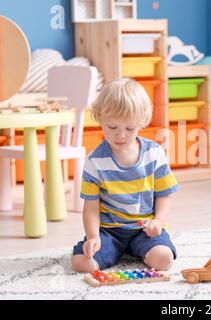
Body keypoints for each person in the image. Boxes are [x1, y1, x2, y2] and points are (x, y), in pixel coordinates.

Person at [71, 78, 179, 272]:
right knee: (81, 263)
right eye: (112, 127)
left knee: (164, 259)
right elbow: (91, 207)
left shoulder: (153, 153)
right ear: (99, 118)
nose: (121, 135)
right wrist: (93, 237)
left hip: (144, 229)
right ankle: (117, 251)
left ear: (141, 122)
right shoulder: (95, 161)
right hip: (109, 232)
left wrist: (158, 222)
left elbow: (164, 193)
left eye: (129, 128)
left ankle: (140, 249)